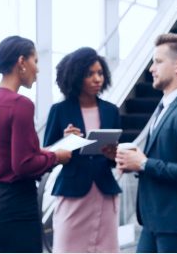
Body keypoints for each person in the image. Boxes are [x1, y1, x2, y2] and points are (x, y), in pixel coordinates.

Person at [0, 35, 72, 253]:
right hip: (14, 210)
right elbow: (23, 165)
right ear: (21, 62)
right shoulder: (20, 104)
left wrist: (38, 154)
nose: (38, 69)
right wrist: (56, 157)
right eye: (35, 61)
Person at [115, 33, 177, 253]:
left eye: (158, 61)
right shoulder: (166, 106)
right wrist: (135, 160)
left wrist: (144, 163)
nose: (151, 68)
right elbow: (165, 157)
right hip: (155, 219)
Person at [42, 47, 122, 253]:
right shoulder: (59, 111)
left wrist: (114, 155)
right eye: (89, 74)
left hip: (105, 191)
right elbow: (47, 155)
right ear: (76, 77)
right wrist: (66, 142)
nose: (97, 79)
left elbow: (118, 156)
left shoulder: (111, 110)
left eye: (100, 73)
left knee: (106, 248)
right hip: (73, 194)